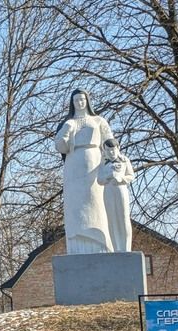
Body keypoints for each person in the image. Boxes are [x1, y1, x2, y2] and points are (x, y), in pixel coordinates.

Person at [54, 89, 116, 254]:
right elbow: (60, 147)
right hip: (74, 164)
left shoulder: (98, 120)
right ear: (72, 104)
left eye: (82, 99)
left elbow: (110, 142)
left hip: (94, 162)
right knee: (75, 205)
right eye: (76, 100)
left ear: (87, 101)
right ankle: (77, 245)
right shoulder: (69, 123)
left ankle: (101, 244)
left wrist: (113, 162)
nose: (80, 103)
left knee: (96, 201)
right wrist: (65, 132)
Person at [96, 138, 135, 253]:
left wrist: (121, 178)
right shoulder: (103, 163)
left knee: (123, 218)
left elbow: (131, 176)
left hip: (120, 189)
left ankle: (125, 247)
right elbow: (99, 180)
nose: (111, 153)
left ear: (118, 149)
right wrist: (107, 177)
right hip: (108, 190)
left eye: (113, 150)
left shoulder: (124, 160)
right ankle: (116, 247)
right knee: (112, 219)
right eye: (108, 150)